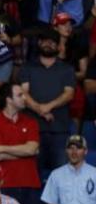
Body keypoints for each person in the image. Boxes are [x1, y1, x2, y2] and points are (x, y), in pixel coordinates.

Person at [20, 28, 76, 174]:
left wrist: (47, 107)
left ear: (59, 46)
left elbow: (69, 94)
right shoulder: (27, 67)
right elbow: (23, 93)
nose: (48, 44)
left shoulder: (67, 69)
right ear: (39, 43)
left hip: (60, 130)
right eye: (45, 41)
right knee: (33, 176)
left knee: (61, 177)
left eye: (52, 42)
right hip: (32, 131)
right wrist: (40, 109)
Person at [43, 135, 96, 204]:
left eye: (78, 148)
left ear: (85, 151)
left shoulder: (94, 174)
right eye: (70, 147)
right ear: (66, 150)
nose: (74, 151)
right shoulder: (56, 175)